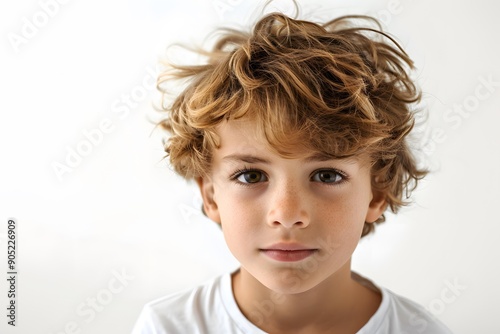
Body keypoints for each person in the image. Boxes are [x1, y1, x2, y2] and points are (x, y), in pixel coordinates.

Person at [132, 7, 453, 334]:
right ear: (211, 195)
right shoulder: (167, 327)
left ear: (378, 192)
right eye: (251, 176)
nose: (286, 214)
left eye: (327, 175)